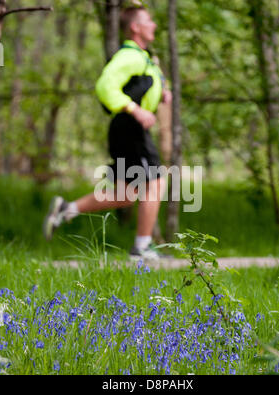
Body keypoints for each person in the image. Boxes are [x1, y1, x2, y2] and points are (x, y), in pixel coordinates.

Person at [43, 6, 172, 259]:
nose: (154, 25)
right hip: (130, 128)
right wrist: (136, 110)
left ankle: (67, 209)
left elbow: (141, 83)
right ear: (135, 27)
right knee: (155, 183)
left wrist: (161, 92)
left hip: (127, 129)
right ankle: (142, 248)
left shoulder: (142, 57)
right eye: (149, 21)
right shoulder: (129, 56)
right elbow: (105, 86)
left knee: (126, 194)